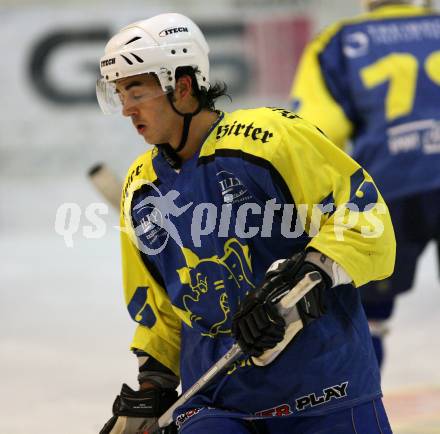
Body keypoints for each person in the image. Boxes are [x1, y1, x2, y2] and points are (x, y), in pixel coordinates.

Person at [97, 13, 395, 434]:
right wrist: (155, 387)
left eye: (136, 89)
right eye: (119, 93)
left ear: (182, 86)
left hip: (326, 389)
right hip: (219, 405)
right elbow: (161, 308)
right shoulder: (141, 187)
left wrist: (310, 274)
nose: (126, 107)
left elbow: (367, 221)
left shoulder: (270, 139)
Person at [290, 0, 440, 369]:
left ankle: (361, 418)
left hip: (390, 189)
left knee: (368, 319)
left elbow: (316, 137)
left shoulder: (337, 43)